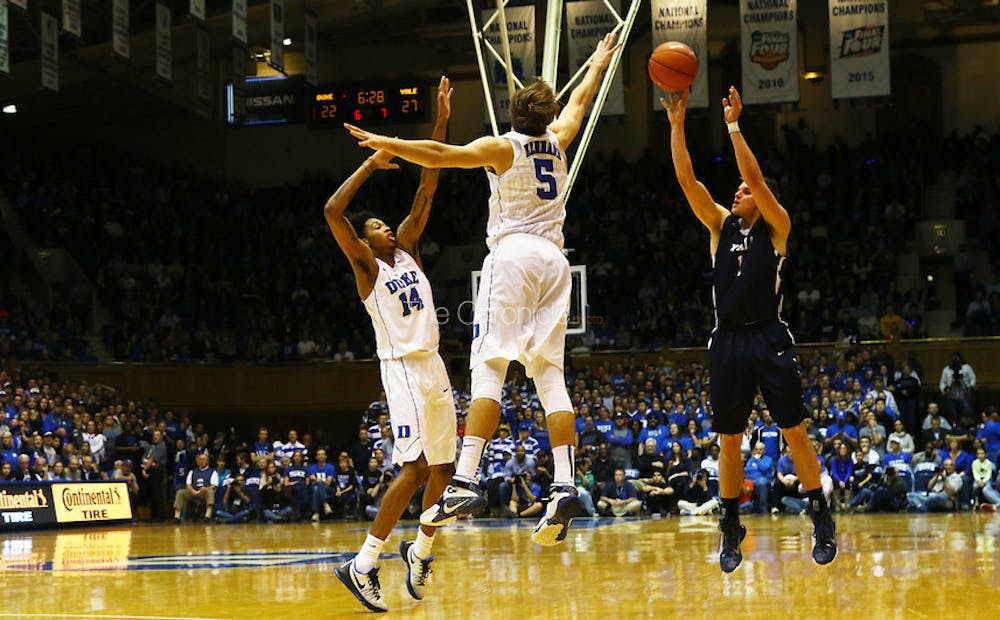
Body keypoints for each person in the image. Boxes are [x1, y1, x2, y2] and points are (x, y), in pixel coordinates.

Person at [346, 34, 621, 549]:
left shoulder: (504, 146)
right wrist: (599, 62)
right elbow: (581, 101)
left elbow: (439, 154)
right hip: (556, 261)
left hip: (514, 255)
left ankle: (466, 479)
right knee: (551, 378)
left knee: (490, 365)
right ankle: (564, 483)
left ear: (513, 116)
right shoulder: (559, 139)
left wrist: (387, 143)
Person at [663, 85, 836, 572]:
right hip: (728, 341)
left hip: (768, 336)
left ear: (760, 200)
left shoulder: (777, 225)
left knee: (795, 432)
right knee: (729, 440)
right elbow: (687, 180)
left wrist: (734, 126)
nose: (736, 193)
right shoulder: (719, 228)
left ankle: (820, 515)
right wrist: (677, 127)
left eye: (742, 192)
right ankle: (730, 525)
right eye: (736, 191)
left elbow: (754, 177)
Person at [330, 77, 456, 612]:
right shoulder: (365, 267)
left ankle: (421, 551)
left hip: (433, 364)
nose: (386, 227)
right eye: (377, 225)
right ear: (367, 240)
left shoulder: (408, 252)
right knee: (413, 468)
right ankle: (362, 564)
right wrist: (372, 160)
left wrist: (442, 124)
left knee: (445, 470)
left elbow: (427, 186)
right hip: (401, 367)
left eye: (386, 223)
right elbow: (334, 212)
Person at [939, 353, 976, 421]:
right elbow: (942, 382)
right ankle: (956, 427)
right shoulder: (946, 370)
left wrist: (970, 387)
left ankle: (969, 426)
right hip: (952, 396)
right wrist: (943, 389)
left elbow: (973, 378)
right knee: (953, 414)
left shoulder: (966, 367)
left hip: (964, 396)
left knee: (967, 412)